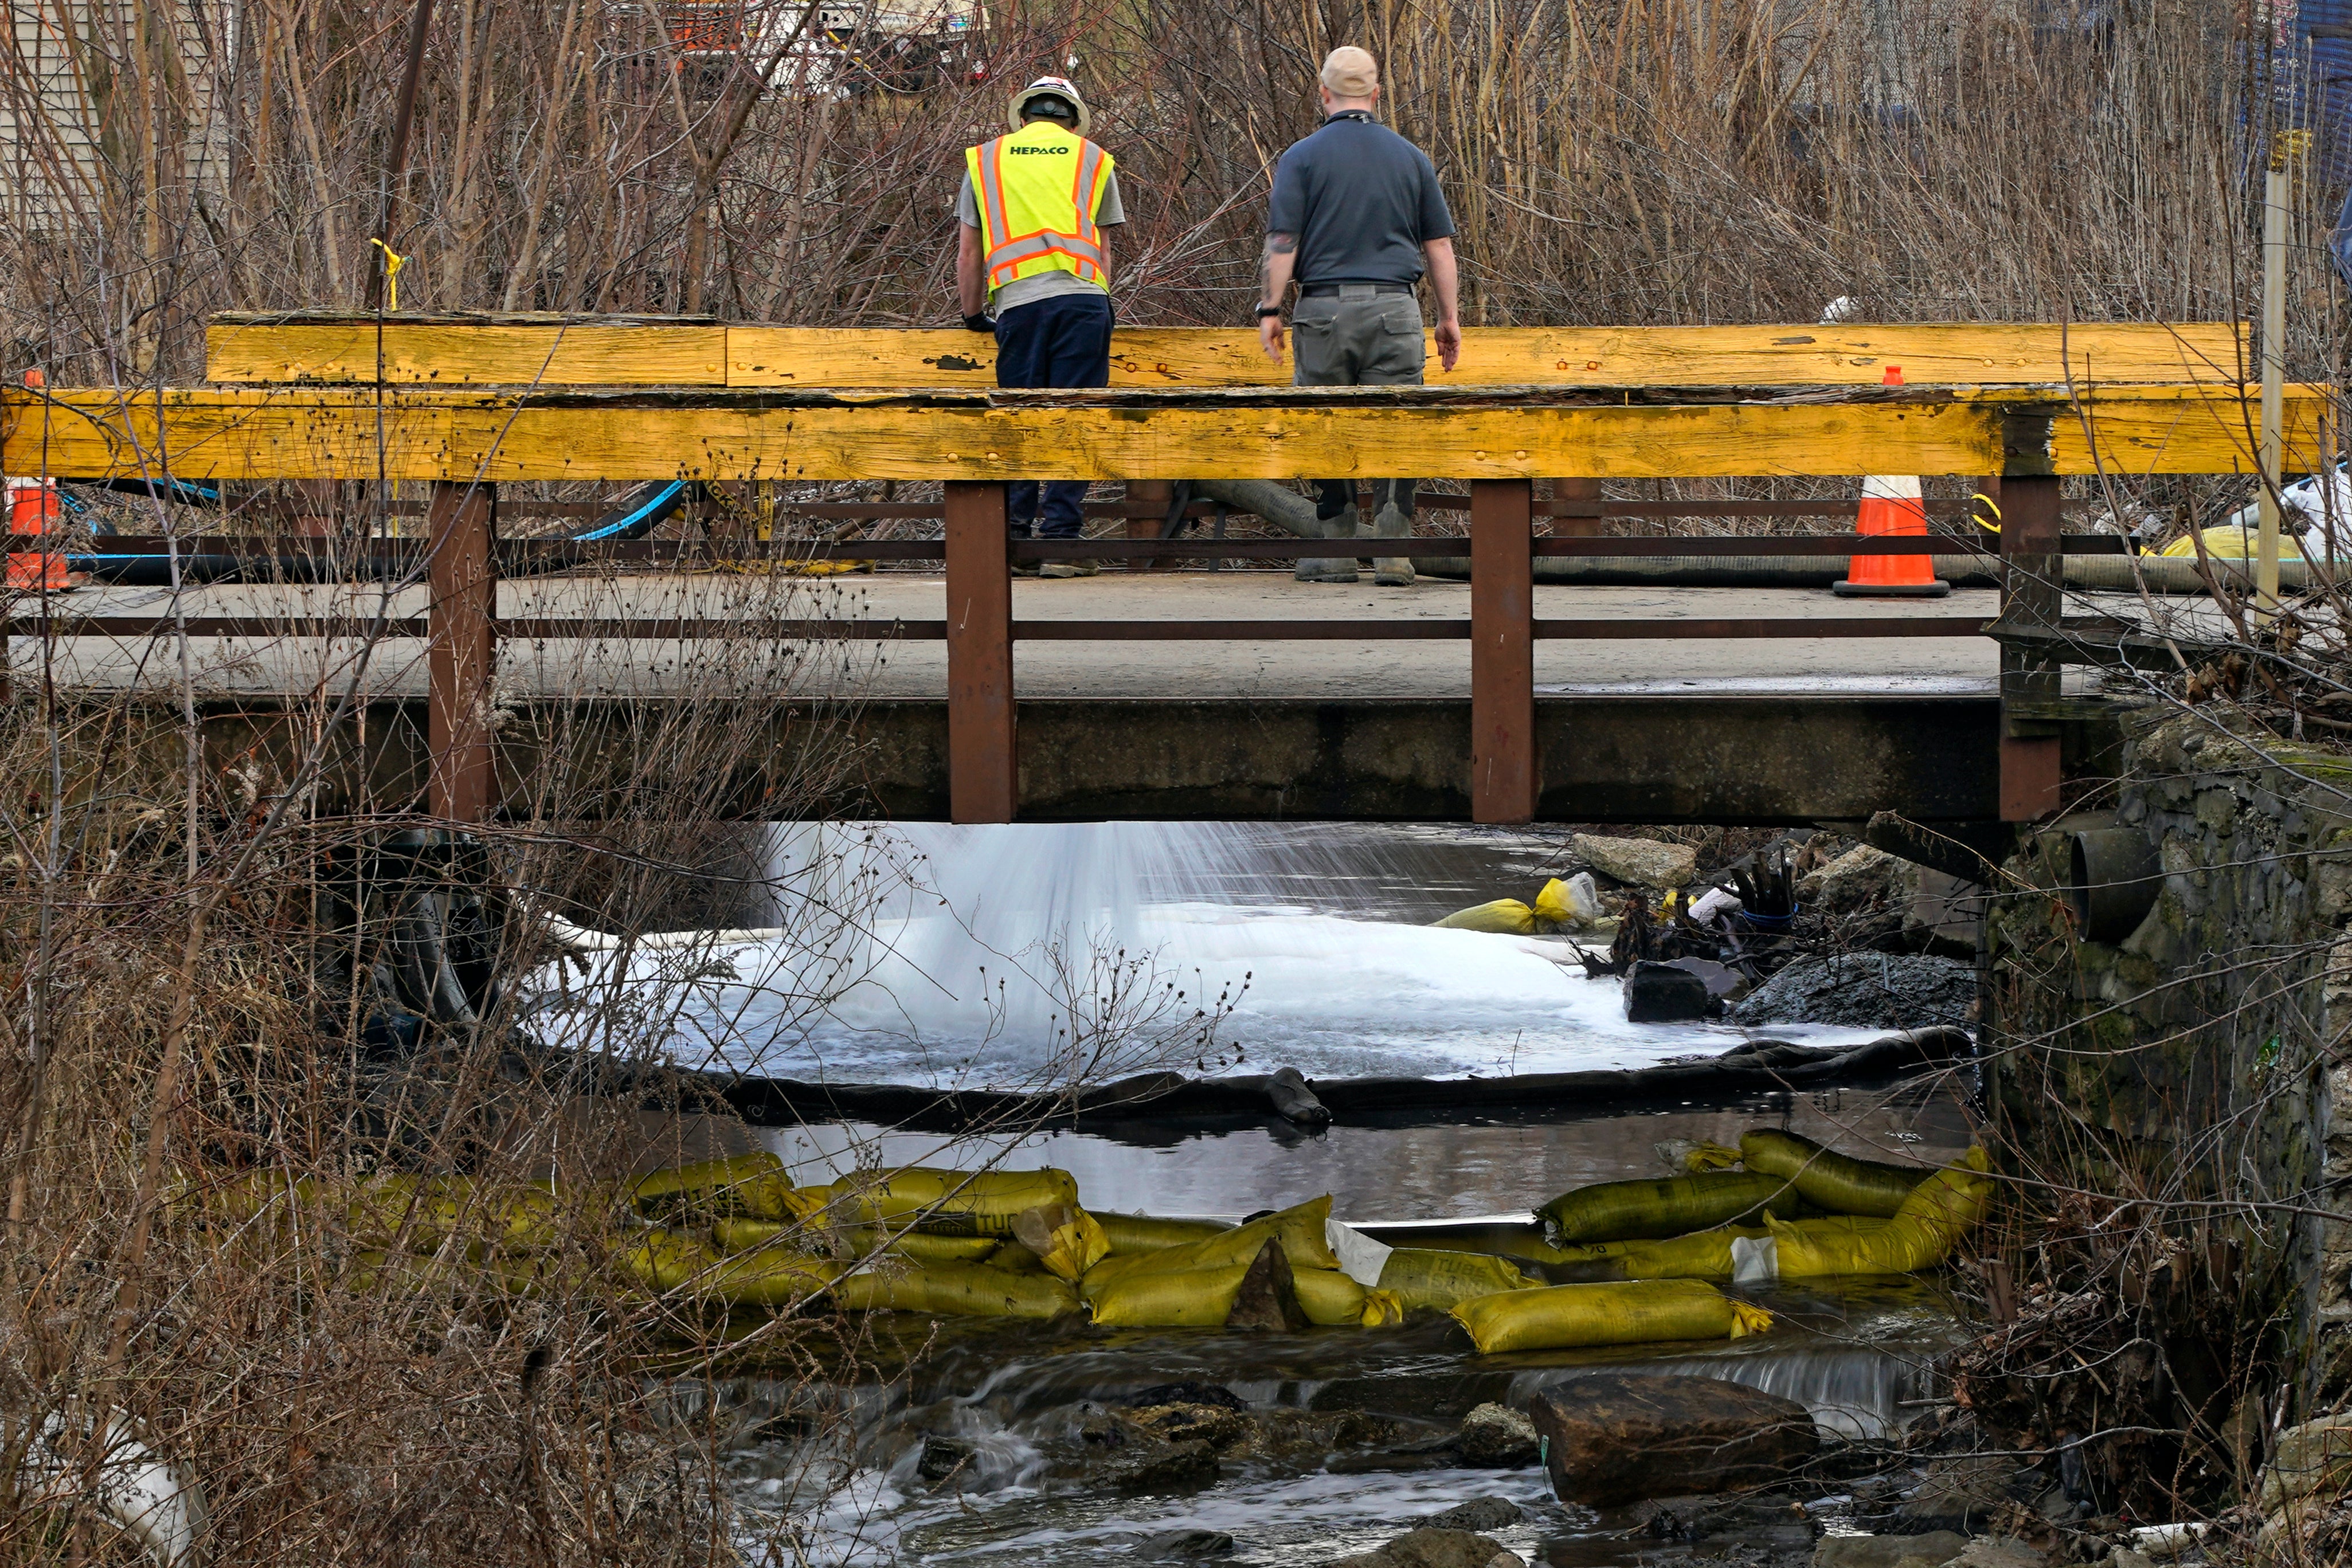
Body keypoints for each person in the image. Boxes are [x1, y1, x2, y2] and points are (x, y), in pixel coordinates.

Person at [1257, 46, 1461, 586]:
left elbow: (1282, 241)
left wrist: (1271, 308)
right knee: (1397, 427)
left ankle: (1337, 552)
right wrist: (1448, 319)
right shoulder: (1410, 157)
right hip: (1395, 307)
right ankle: (1393, 555)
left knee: (1324, 427)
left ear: (1323, 94)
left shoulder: (1301, 157)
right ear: (1375, 95)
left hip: (1321, 308)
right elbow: (1438, 247)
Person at [956, 75, 1126, 577]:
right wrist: (1100, 301)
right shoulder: (1093, 159)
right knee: (1075, 418)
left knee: (1021, 419)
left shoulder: (985, 161)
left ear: (1024, 117)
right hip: (1084, 303)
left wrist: (972, 315)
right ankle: (1060, 543)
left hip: (1019, 307)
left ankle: (1014, 539)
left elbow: (969, 253)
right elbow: (1104, 249)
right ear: (1073, 122)